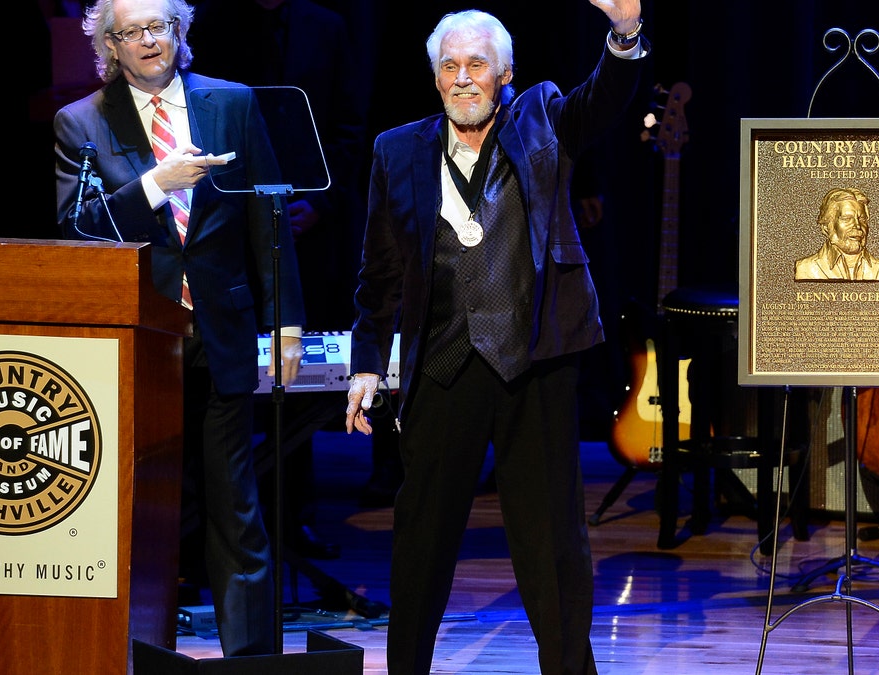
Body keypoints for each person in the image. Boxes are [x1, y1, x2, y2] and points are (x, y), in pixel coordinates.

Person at [343, 3, 649, 673]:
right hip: (444, 366)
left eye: (476, 64)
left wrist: (624, 33)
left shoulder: (542, 118)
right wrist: (367, 364)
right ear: (434, 79)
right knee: (421, 542)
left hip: (533, 362)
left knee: (552, 544)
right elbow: (380, 273)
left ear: (505, 72)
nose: (462, 78)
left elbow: (601, 100)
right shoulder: (396, 151)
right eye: (449, 66)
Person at [52, 0, 306, 657]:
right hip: (138, 345)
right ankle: (130, 654)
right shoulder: (80, 122)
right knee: (138, 513)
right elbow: (77, 232)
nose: (147, 41)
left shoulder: (233, 103)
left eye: (157, 27)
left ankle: (251, 661)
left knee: (238, 512)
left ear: (180, 32)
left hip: (222, 331)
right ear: (109, 44)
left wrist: (285, 324)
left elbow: (269, 220)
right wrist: (155, 185)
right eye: (130, 32)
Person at [188, 0, 372, 560]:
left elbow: (348, 126)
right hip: (224, 225)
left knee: (294, 374)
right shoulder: (213, 23)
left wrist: (319, 203)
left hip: (306, 229)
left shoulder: (325, 26)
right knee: (219, 381)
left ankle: (295, 519)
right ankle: (204, 525)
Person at [794, 187, 879, 281]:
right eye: (847, 219)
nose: (857, 225)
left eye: (862, 219)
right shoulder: (806, 268)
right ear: (826, 227)